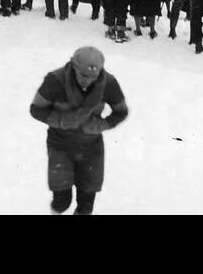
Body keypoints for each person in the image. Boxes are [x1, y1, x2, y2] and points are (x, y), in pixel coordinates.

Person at [28, 46, 130, 215]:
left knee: (86, 204)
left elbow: (121, 112)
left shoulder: (109, 83)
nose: (88, 80)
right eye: (83, 75)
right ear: (73, 66)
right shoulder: (55, 80)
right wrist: (62, 120)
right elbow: (36, 110)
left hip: (92, 147)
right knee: (62, 201)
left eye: (93, 76)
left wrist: (101, 125)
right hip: (60, 144)